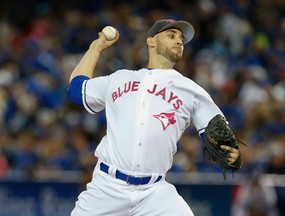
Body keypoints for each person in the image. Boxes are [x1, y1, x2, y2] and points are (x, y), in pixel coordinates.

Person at [67, 19, 242, 216]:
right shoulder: (120, 78)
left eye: (181, 39)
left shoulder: (191, 90)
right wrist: (96, 47)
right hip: (107, 187)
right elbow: (76, 90)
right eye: (171, 35)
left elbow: (217, 130)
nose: (178, 41)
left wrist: (231, 151)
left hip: (155, 193)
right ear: (151, 41)